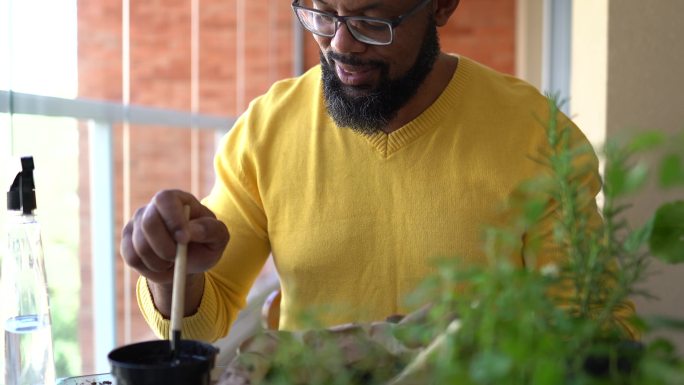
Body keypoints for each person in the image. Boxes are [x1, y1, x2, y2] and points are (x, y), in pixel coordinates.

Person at [121, 0, 636, 342]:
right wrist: (171, 277)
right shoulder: (268, 128)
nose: (341, 45)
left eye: (373, 22)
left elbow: (596, 333)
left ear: (440, 5)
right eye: (322, 13)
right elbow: (207, 321)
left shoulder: (532, 134)